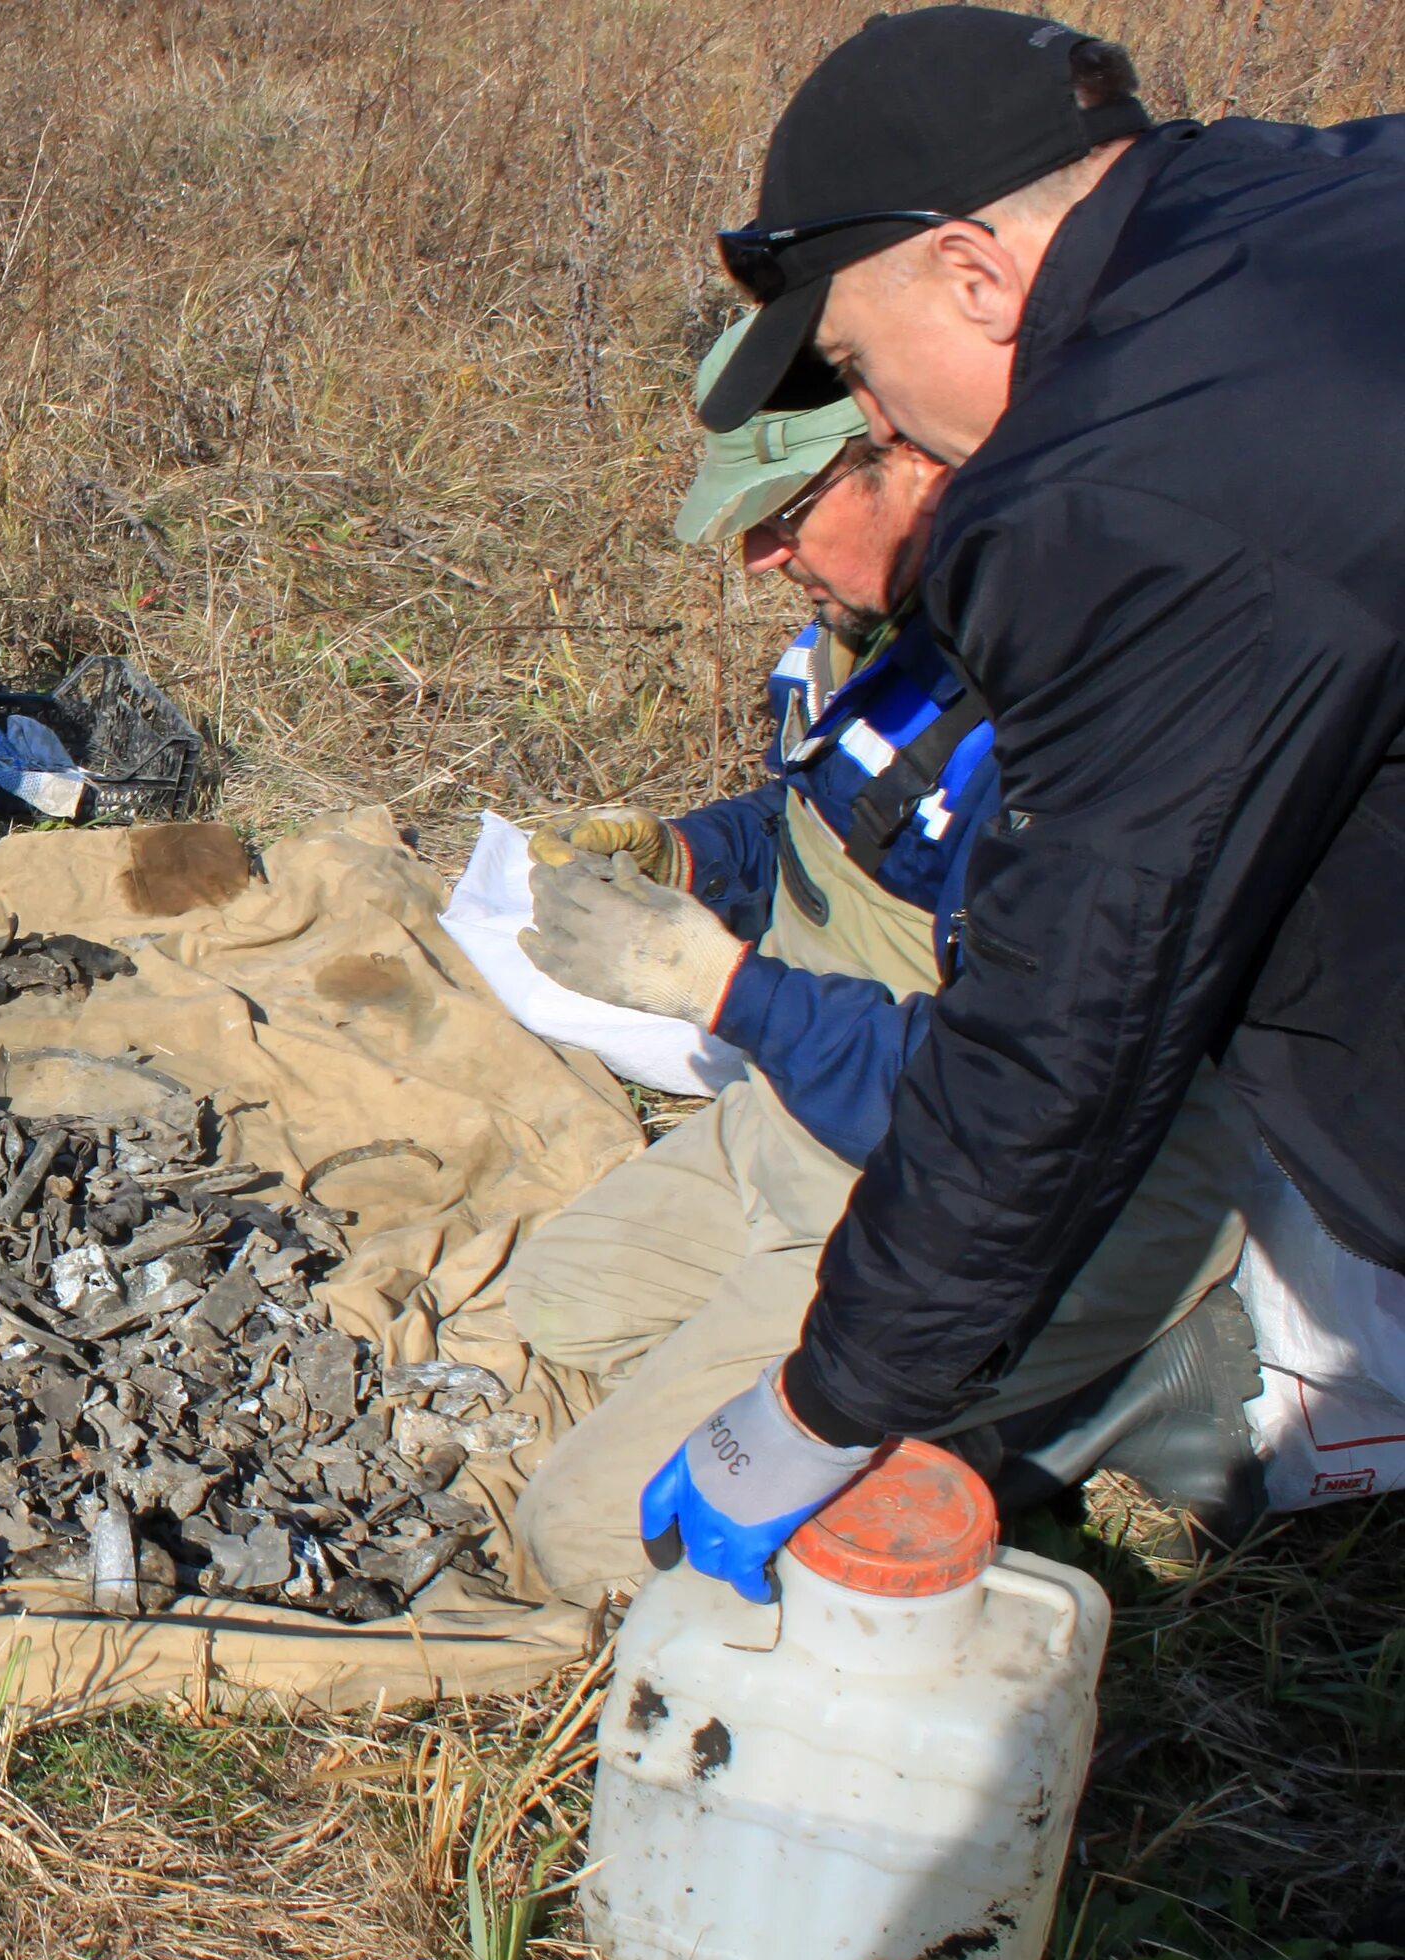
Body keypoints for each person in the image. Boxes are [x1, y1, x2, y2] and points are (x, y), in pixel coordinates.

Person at [651, 4, 1405, 1599]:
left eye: (856, 364)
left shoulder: (1117, 493)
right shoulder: (1314, 200)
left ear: (977, 274)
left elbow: (1071, 1022)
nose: (874, 418)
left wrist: (822, 1409)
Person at [506, 319, 1255, 1600]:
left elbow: (1008, 1102)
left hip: (964, 1202)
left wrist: (718, 987)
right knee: (550, 1309)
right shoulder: (893, 614)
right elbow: (826, 813)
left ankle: (1107, 1380)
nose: (757, 553)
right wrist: (683, 857)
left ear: (907, 457)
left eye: (784, 512)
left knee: (586, 1540)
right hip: (802, 1122)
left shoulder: (1082, 731)